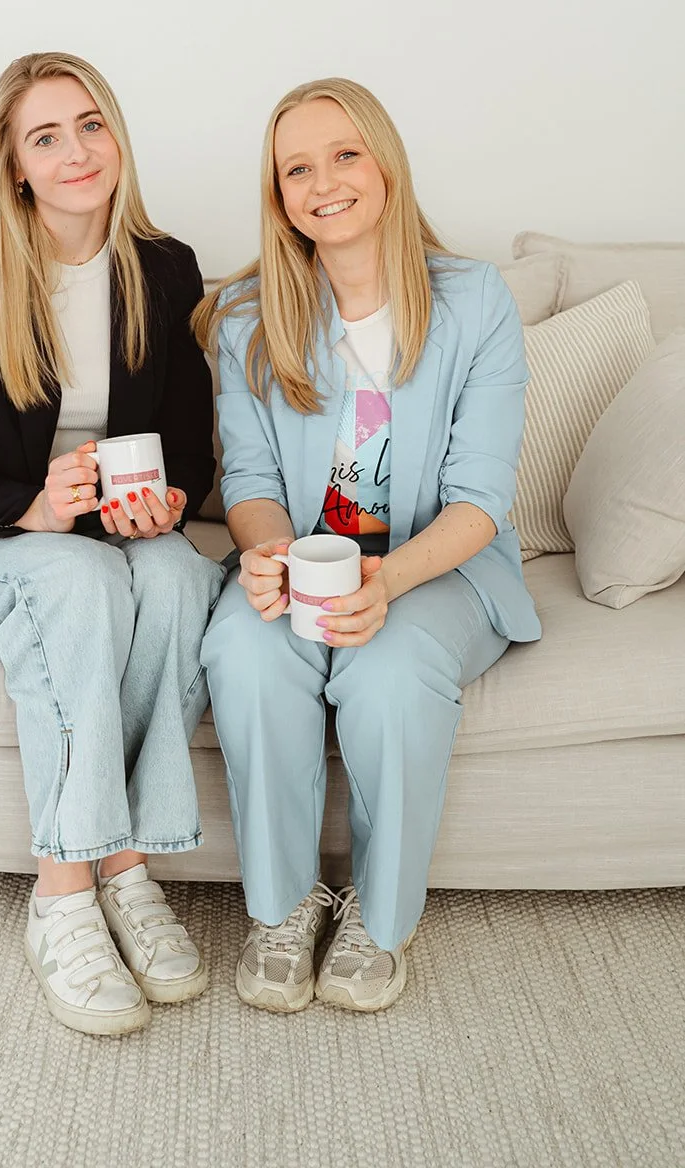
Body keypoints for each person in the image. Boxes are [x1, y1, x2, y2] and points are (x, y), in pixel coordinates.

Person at [0, 52, 223, 1037]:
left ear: (116, 136)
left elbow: (194, 445)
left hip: (112, 531)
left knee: (172, 576)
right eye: (46, 136)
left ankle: (128, 864)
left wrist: (168, 502)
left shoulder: (164, 267)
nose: (76, 151)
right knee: (75, 578)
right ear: (15, 163)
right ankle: (69, 890)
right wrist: (31, 506)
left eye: (91, 125)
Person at [193, 77, 540, 1015]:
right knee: (241, 650)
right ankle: (282, 908)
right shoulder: (244, 318)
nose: (324, 182)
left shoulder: (473, 300)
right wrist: (269, 556)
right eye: (296, 167)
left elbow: (477, 501)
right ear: (278, 196)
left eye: (344, 154)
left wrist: (389, 582)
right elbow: (253, 485)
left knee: (386, 675)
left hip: (437, 564)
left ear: (384, 162)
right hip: (306, 562)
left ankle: (381, 924)